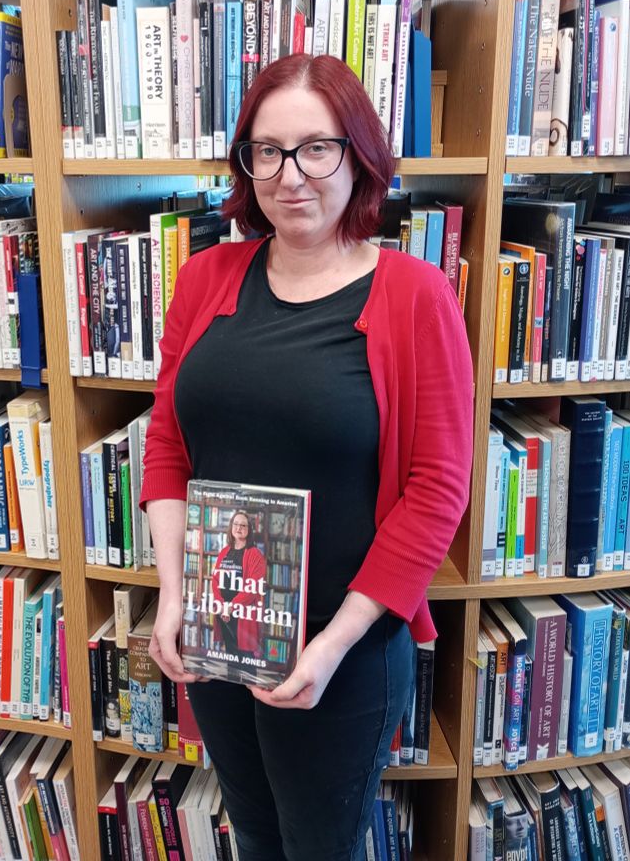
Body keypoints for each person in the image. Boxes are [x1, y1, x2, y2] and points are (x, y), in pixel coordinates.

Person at [141, 53, 474, 861]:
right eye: (267, 150)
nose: (290, 176)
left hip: (343, 649)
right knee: (253, 832)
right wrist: (174, 595)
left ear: (357, 157)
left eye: (315, 148)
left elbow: (436, 490)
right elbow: (166, 444)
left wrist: (330, 649)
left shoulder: (414, 294)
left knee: (320, 846)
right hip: (222, 633)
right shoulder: (206, 277)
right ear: (246, 163)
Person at [212, 509, 267, 664]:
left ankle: (248, 687)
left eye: (243, 525)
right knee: (230, 654)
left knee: (246, 659)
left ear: (249, 530)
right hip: (224, 613)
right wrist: (222, 605)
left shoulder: (255, 554)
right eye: (235, 524)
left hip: (243, 613)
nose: (239, 528)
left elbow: (253, 587)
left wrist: (231, 607)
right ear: (231, 527)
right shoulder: (224, 552)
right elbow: (215, 581)